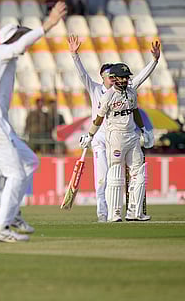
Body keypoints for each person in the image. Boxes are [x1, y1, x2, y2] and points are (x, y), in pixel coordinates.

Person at [0, 2, 68, 243]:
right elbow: (21, 44)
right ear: (13, 38)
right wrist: (48, 25)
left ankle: (13, 215)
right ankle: (0, 228)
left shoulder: (3, 59)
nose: (25, 41)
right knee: (15, 174)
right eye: (21, 36)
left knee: (29, 162)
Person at [68, 35, 160, 222]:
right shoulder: (95, 90)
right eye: (109, 76)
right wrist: (74, 55)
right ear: (103, 77)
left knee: (133, 174)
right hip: (102, 138)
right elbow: (82, 75)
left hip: (124, 135)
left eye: (115, 75)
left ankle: (132, 211)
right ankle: (104, 214)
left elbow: (141, 77)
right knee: (103, 178)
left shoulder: (128, 89)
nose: (113, 78)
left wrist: (154, 61)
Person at [80, 63, 153, 222]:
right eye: (123, 77)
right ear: (115, 78)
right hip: (115, 137)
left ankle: (135, 212)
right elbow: (99, 118)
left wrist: (143, 130)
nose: (126, 80)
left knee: (138, 172)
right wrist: (90, 135)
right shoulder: (107, 96)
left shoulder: (132, 92)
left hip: (131, 136)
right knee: (115, 173)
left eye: (127, 77)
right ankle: (115, 214)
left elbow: (135, 112)